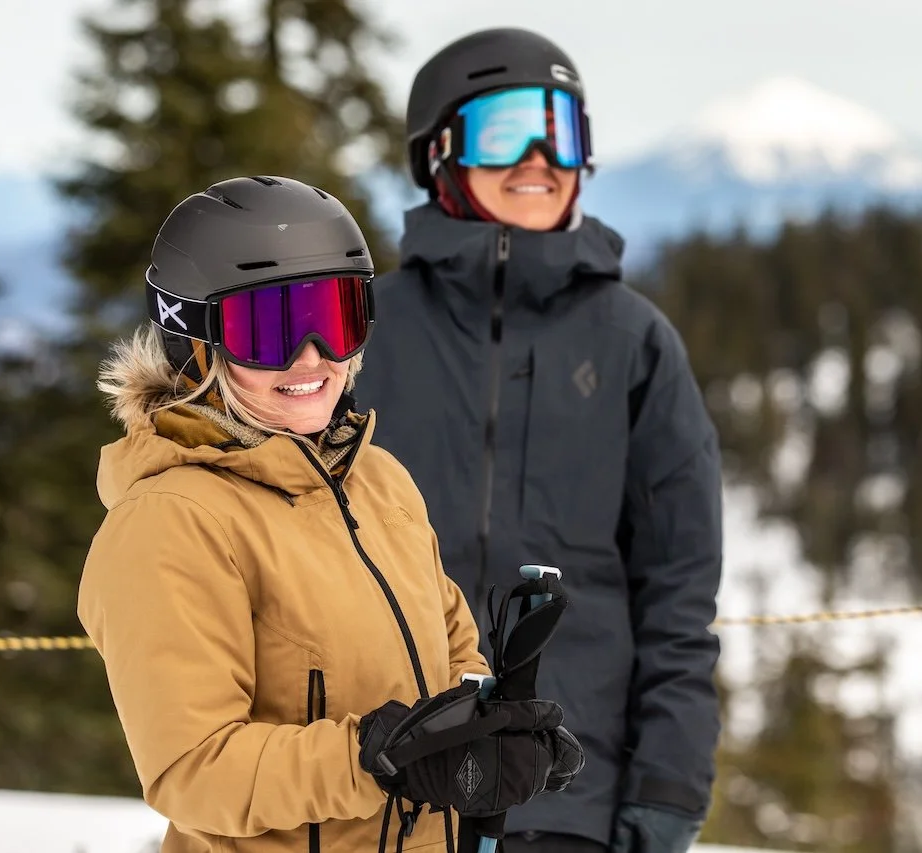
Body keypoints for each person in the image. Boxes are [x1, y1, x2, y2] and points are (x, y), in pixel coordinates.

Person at [76, 175, 579, 853]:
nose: (311, 355)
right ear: (194, 341)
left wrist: (492, 732)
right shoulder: (172, 522)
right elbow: (194, 770)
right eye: (268, 329)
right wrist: (380, 758)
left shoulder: (379, 481)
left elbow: (454, 661)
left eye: (334, 317)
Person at [353, 27, 724, 853]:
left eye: (561, 129)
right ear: (440, 152)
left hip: (570, 801)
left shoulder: (634, 343)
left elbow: (680, 593)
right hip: (385, 787)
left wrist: (668, 781)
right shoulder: (361, 335)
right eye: (504, 129)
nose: (537, 156)